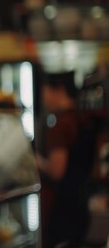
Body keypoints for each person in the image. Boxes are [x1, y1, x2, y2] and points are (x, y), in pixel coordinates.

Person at [37, 71, 95, 248]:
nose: (43, 98)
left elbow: (56, 171)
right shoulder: (83, 118)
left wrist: (35, 160)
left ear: (59, 90)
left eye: (44, 91)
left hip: (63, 210)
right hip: (82, 206)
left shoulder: (61, 125)